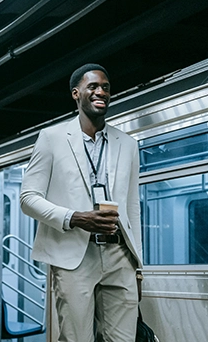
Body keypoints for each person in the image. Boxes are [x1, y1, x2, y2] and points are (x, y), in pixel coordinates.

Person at [20, 64, 143, 342]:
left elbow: (133, 207)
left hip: (119, 254)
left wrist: (137, 265)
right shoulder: (51, 139)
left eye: (106, 87)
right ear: (76, 94)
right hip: (74, 255)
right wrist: (75, 217)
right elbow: (27, 199)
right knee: (77, 338)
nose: (101, 92)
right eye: (93, 87)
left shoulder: (128, 144)